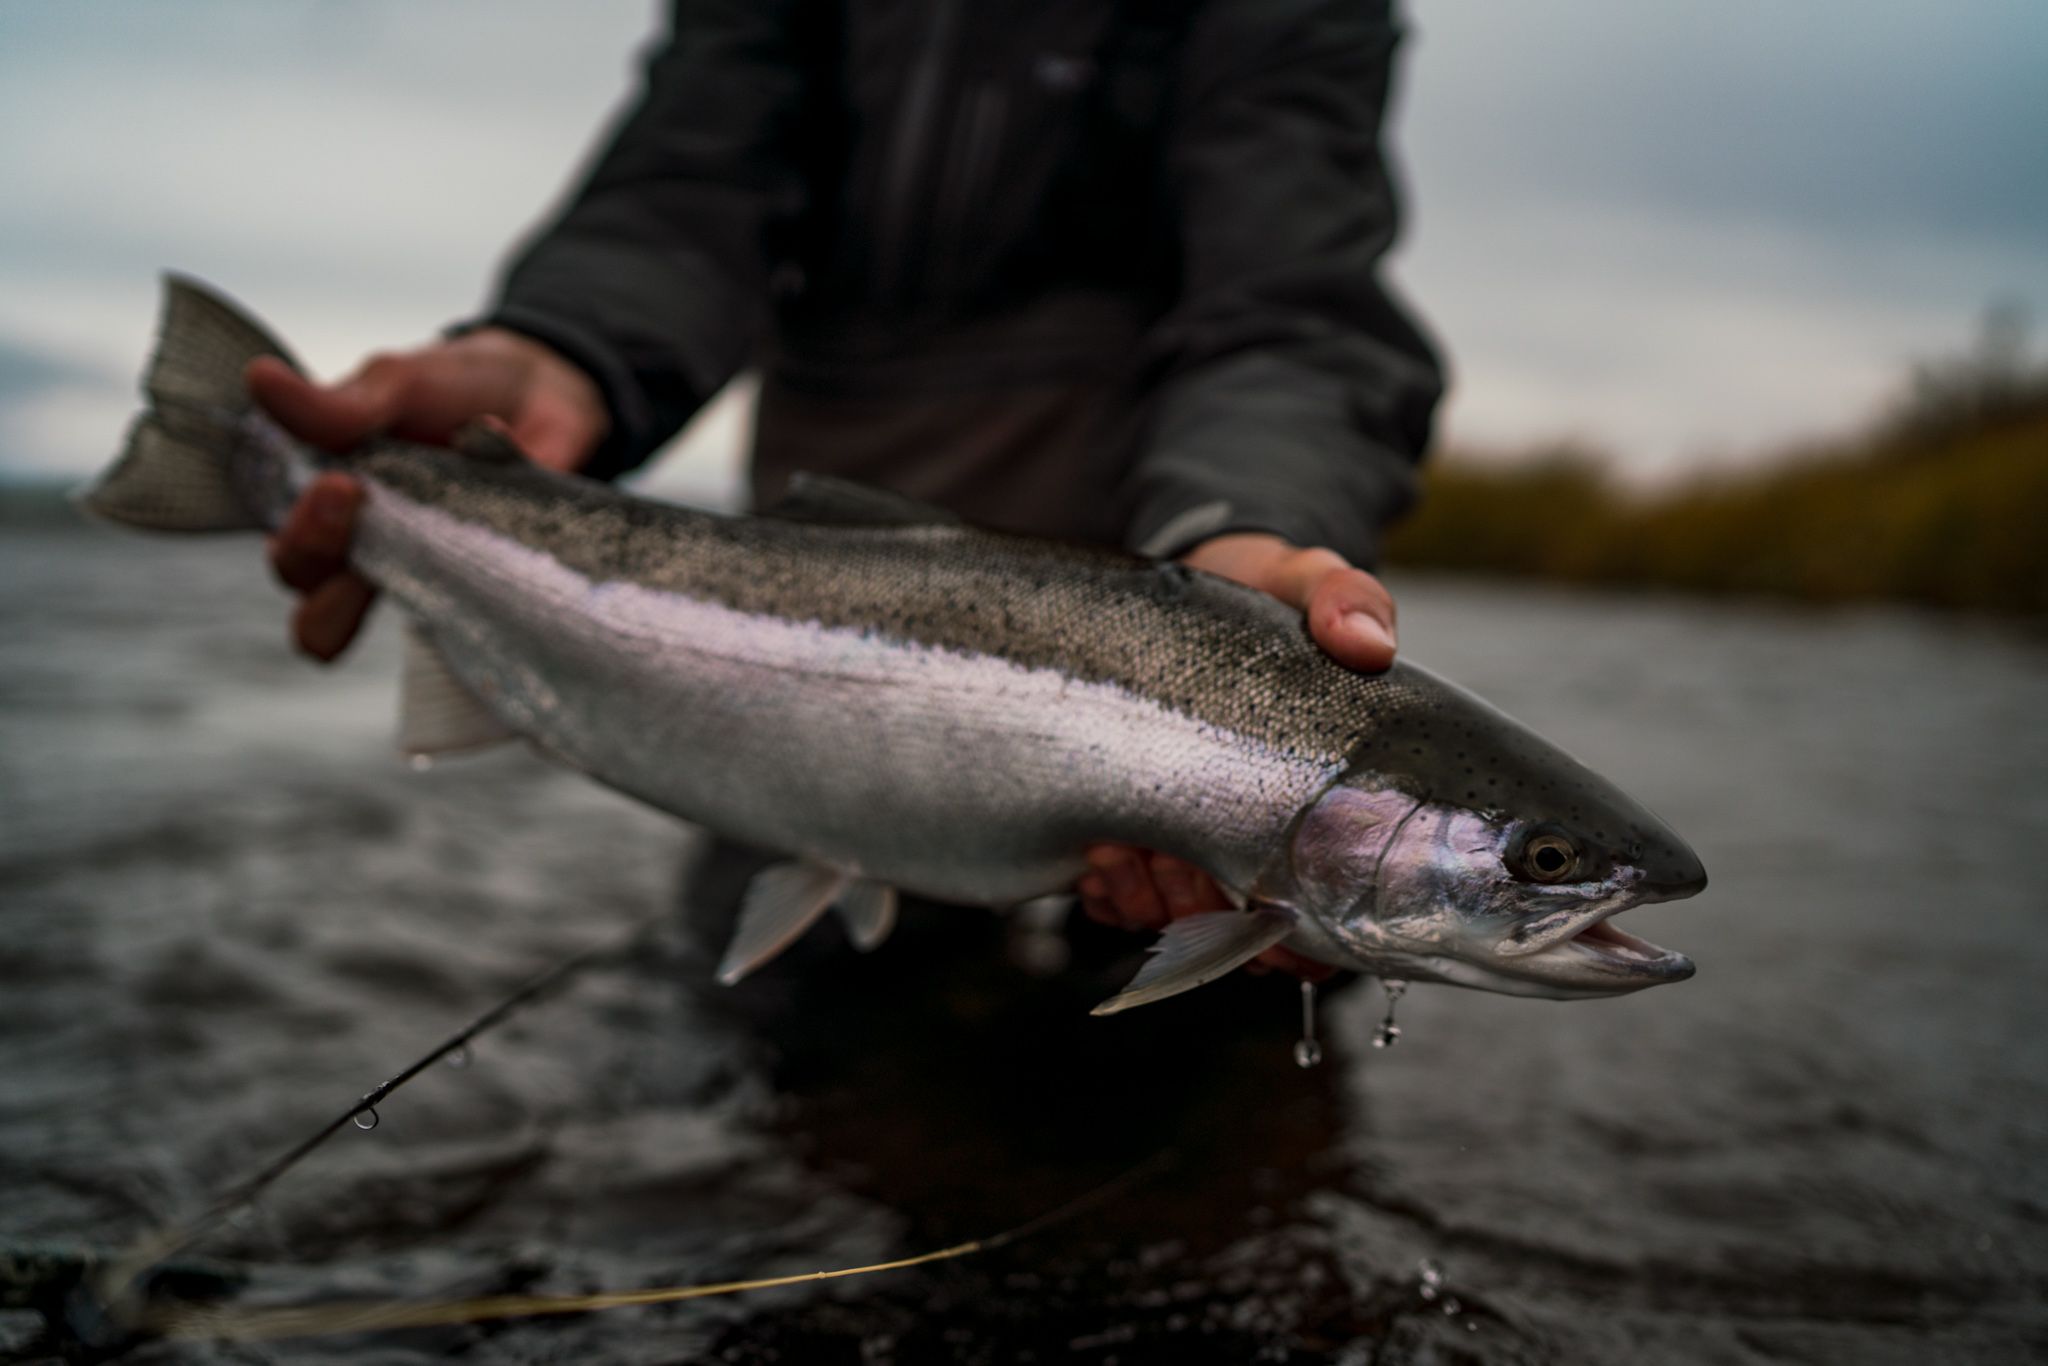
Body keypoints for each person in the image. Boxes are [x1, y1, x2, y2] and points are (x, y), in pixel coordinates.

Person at [251, 0, 1443, 979]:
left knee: (1198, 1139)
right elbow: (685, 191)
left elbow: (1291, 310)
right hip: (801, 657)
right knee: (785, 1086)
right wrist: (558, 350)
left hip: (1178, 609)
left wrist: (1252, 533)